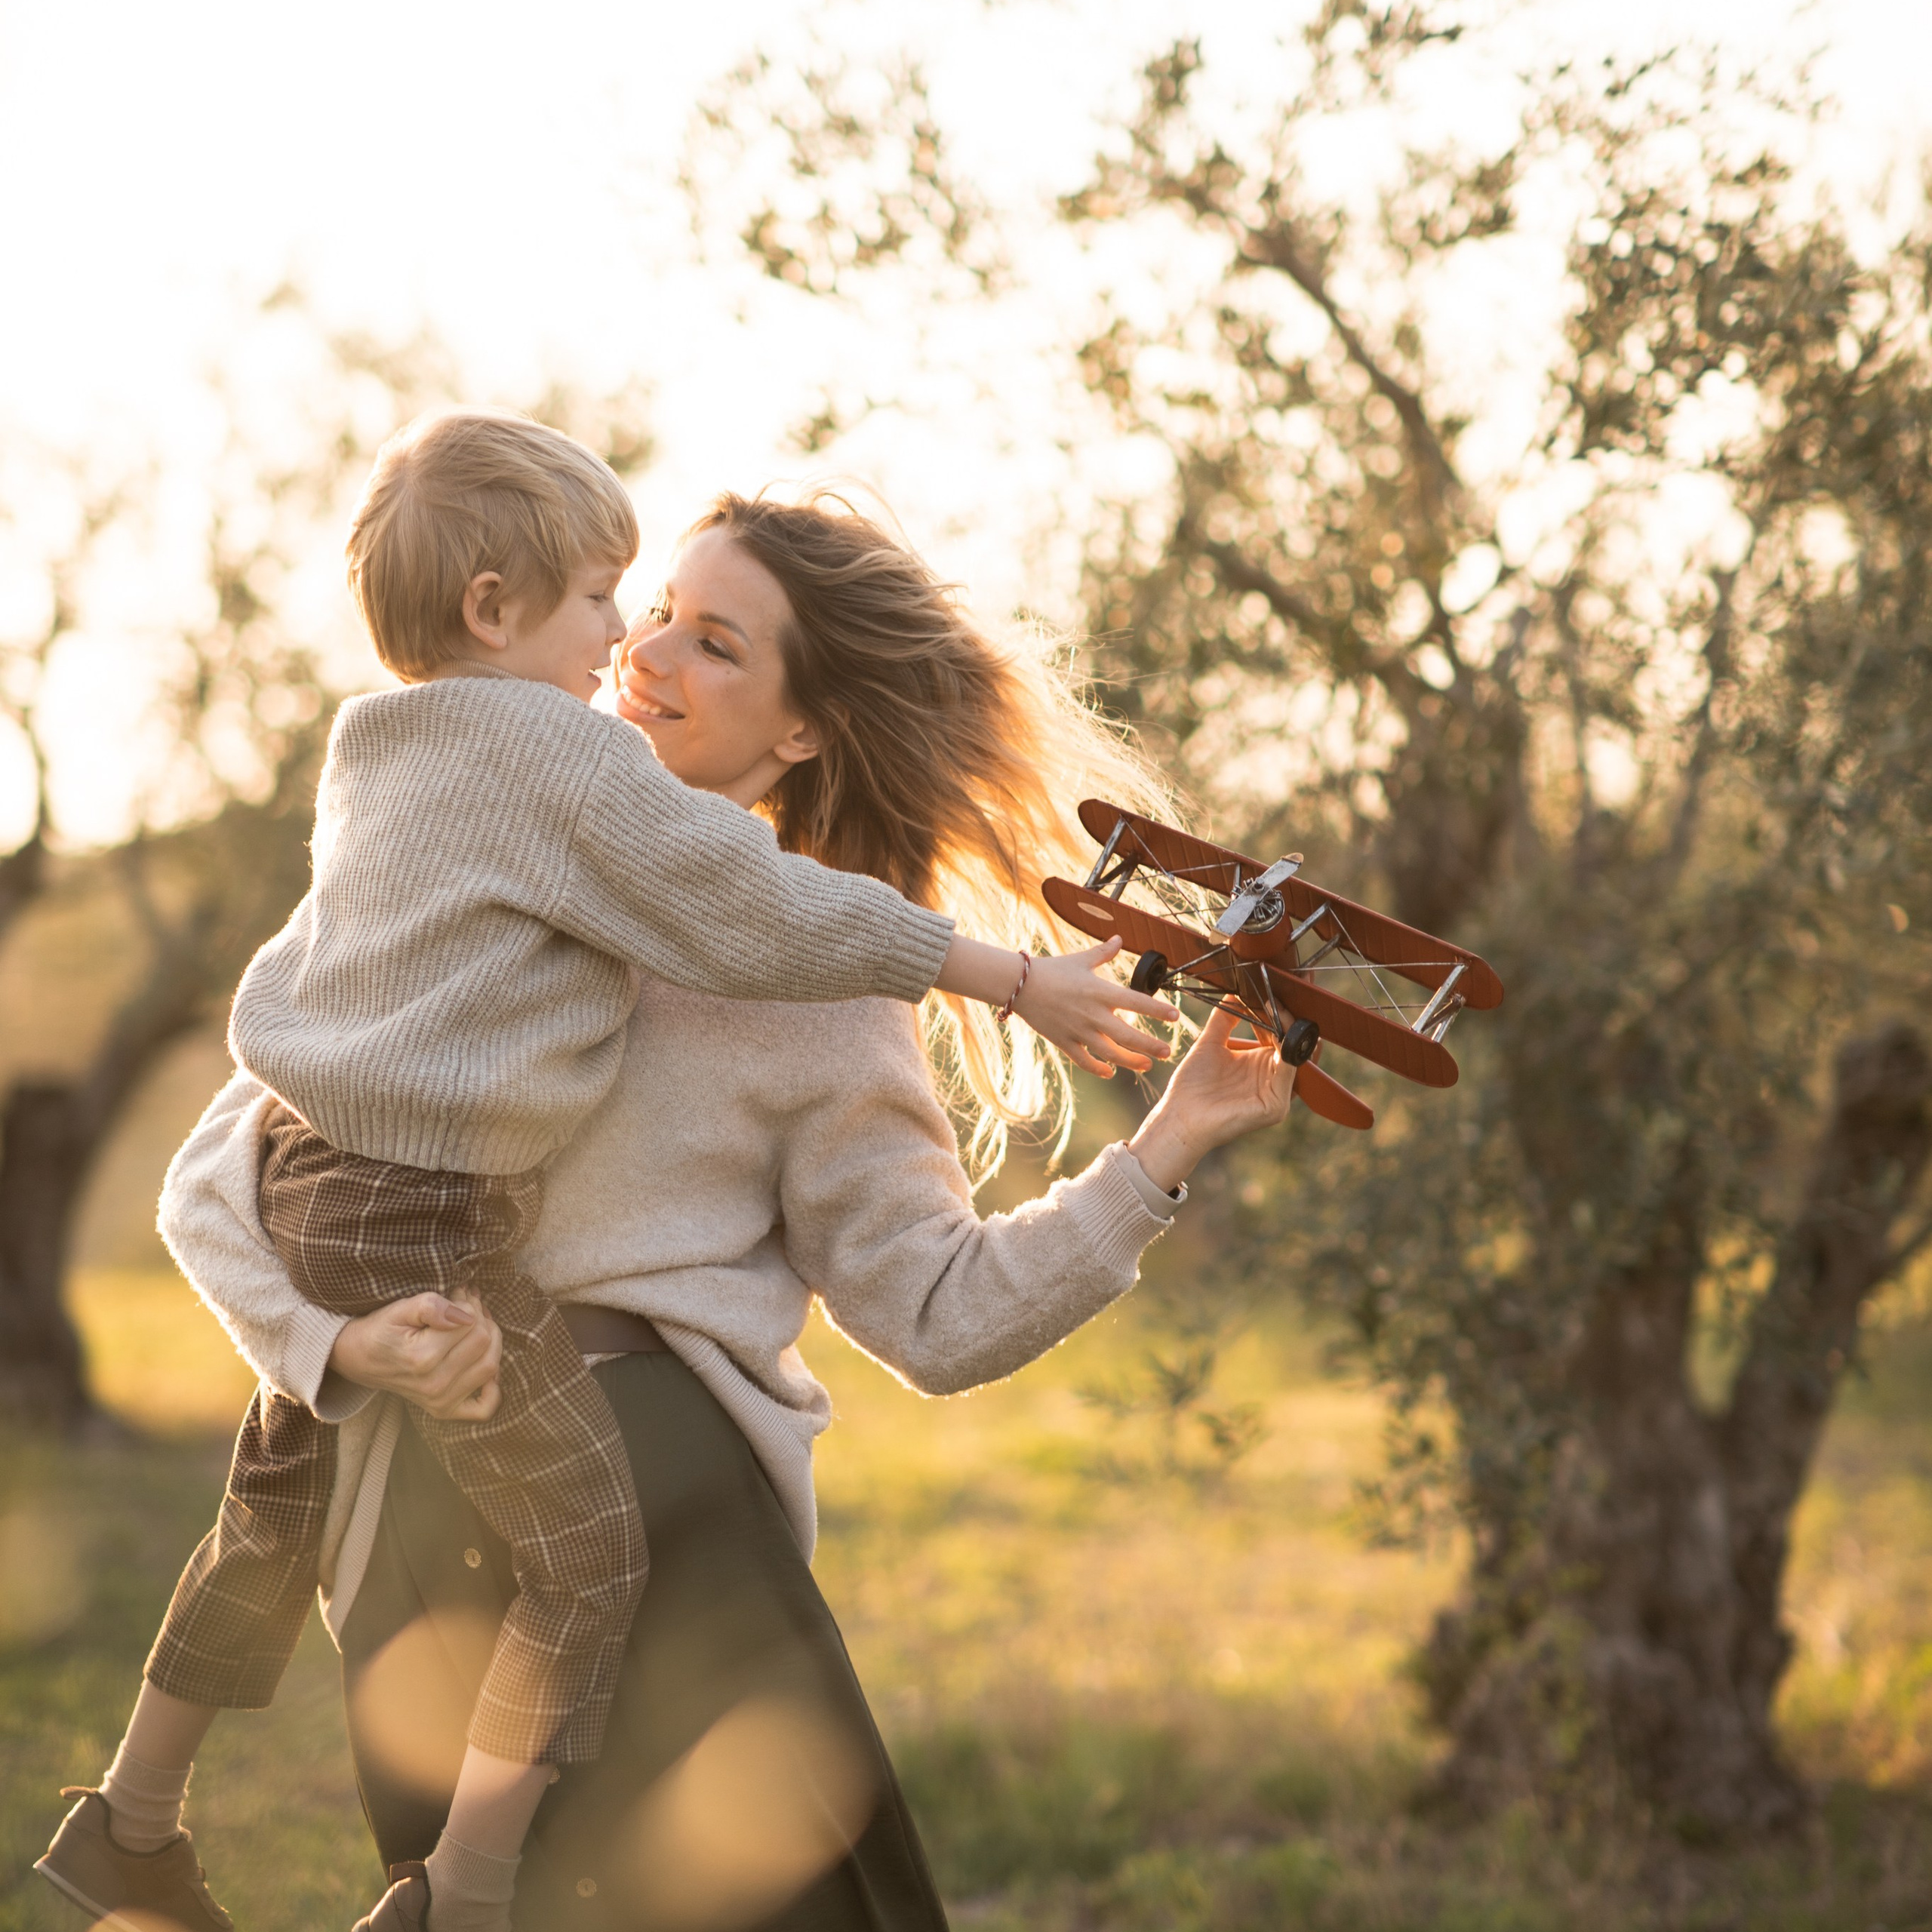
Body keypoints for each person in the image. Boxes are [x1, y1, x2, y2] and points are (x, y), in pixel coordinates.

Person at [102, 490, 1299, 1931]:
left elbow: (937, 1317)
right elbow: (216, 1182)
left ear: (800, 731)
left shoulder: (839, 981)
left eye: (716, 643)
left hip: (669, 1533)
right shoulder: (450, 862)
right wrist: (335, 1350)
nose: (647, 655)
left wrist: (1165, 1148)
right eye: (656, 610)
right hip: (420, 1521)